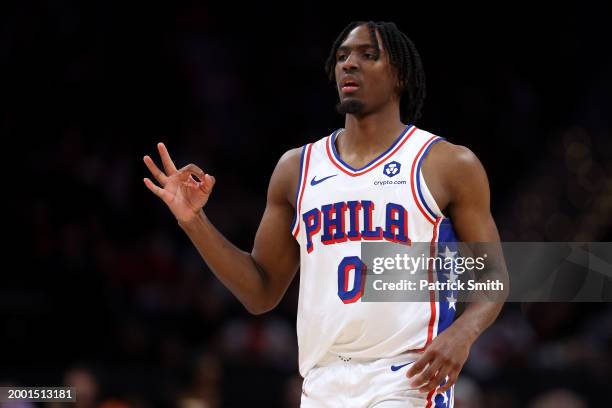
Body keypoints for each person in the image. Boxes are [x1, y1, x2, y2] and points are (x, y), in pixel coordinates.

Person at [143, 20, 505, 408]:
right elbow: (261, 292)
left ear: (400, 73)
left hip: (408, 376)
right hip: (321, 382)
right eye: (342, 56)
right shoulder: (296, 168)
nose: (349, 64)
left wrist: (462, 334)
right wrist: (193, 221)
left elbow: (494, 277)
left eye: (368, 55)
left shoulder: (447, 163)